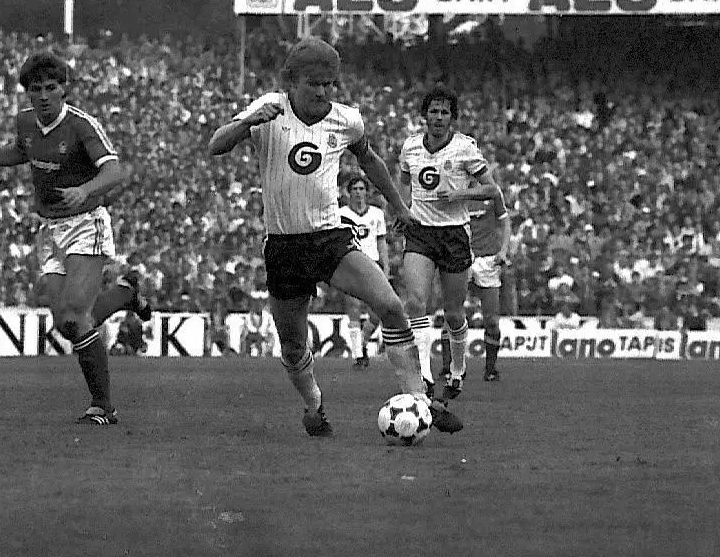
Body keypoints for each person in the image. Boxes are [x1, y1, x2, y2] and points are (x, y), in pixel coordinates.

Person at [207, 37, 462, 437]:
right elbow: (215, 146)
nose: (323, 92)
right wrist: (246, 124)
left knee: (391, 306)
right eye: (313, 83)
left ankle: (420, 400)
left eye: (329, 84)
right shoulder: (269, 109)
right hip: (285, 246)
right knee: (292, 345)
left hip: (329, 239)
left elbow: (370, 160)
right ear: (291, 81)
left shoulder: (346, 120)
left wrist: (397, 206)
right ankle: (314, 405)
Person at [0, 52, 150, 425]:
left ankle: (102, 406)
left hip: (86, 221)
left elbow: (115, 170)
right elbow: (18, 152)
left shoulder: (81, 125)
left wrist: (85, 189)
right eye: (35, 89)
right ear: (26, 92)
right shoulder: (25, 122)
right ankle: (123, 294)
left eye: (51, 88)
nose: (43, 96)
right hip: (50, 229)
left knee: (75, 312)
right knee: (67, 322)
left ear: (64, 89)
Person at [397, 84, 500, 401]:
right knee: (415, 302)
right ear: (424, 116)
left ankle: (458, 369)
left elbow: (491, 190)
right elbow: (403, 182)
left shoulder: (465, 149)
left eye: (444, 112)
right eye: (434, 111)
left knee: (453, 313)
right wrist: (403, 210)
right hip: (420, 233)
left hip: (454, 233)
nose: (438, 117)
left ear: (452, 119)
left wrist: (460, 194)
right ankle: (424, 376)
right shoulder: (411, 147)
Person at [450, 187, 511, 382]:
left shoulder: (492, 193)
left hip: (488, 261)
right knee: (451, 315)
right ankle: (449, 368)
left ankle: (490, 369)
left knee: (492, 320)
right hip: (462, 257)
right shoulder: (457, 194)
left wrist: (503, 251)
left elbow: (505, 223)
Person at [339, 174, 390, 369]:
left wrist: (386, 265)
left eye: (362, 189)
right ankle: (359, 356)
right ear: (349, 193)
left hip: (372, 263)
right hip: (350, 262)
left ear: (367, 193)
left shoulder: (376, 214)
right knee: (353, 308)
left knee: (377, 312)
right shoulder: (341, 214)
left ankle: (361, 343)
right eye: (355, 189)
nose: (358, 193)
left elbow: (381, 240)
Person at [240, 292, 278, 357]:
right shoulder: (246, 318)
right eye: (256, 301)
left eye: (261, 301)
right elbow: (243, 338)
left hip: (265, 348)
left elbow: (272, 335)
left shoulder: (268, 317)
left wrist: (264, 341)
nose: (259, 304)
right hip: (251, 347)